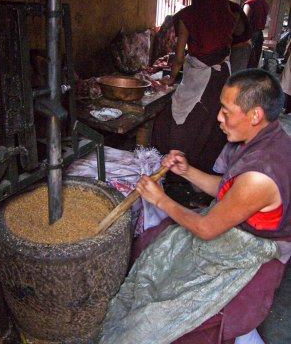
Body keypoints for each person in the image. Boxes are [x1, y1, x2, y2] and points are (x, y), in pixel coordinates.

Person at [99, 69, 291, 344]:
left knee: (164, 315)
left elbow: (205, 228)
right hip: (234, 226)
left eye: (225, 111)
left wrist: (159, 199)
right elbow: (227, 191)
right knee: (152, 251)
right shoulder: (266, 139)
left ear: (255, 115)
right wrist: (186, 171)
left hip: (253, 248)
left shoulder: (260, 176)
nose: (218, 117)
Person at [152, 0, 236, 175]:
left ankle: (177, 173)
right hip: (224, 73)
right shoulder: (224, 4)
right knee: (214, 126)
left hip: (203, 77)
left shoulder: (188, 15)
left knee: (178, 122)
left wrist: (171, 78)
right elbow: (235, 32)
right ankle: (209, 175)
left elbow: (179, 56)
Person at [206, 0, 251, 74]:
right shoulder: (220, 7)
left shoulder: (231, 8)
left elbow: (227, 32)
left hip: (239, 49)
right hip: (230, 48)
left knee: (234, 80)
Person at [243, 0, 269, 68]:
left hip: (250, 37)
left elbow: (244, 24)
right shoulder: (264, 3)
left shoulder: (250, 4)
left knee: (245, 63)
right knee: (253, 63)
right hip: (259, 36)